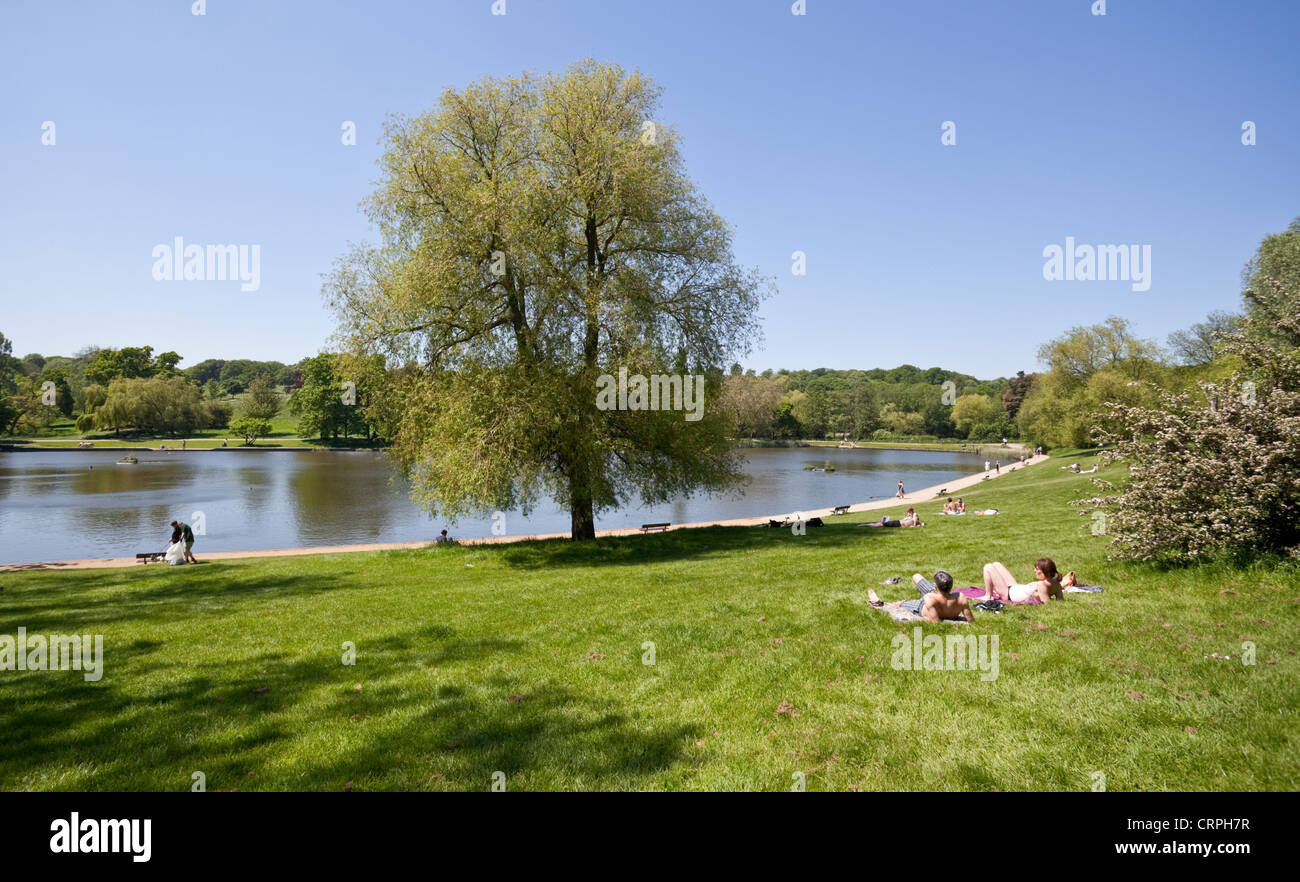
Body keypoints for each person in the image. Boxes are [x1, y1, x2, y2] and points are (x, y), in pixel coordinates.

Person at [869, 570, 973, 623]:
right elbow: (970, 620)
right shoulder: (961, 598)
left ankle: (881, 604)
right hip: (940, 595)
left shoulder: (929, 599)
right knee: (916, 576)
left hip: (921, 606)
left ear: (936, 587)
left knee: (900, 603)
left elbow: (935, 622)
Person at [977, 558, 1063, 604]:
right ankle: (990, 593)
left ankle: (988, 596)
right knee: (996, 564)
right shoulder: (1056, 583)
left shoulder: (1042, 585)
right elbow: (1060, 600)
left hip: (1008, 594)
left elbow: (1047, 604)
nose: (1034, 571)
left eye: (1036, 569)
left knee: (988, 567)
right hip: (1015, 587)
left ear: (1044, 571)